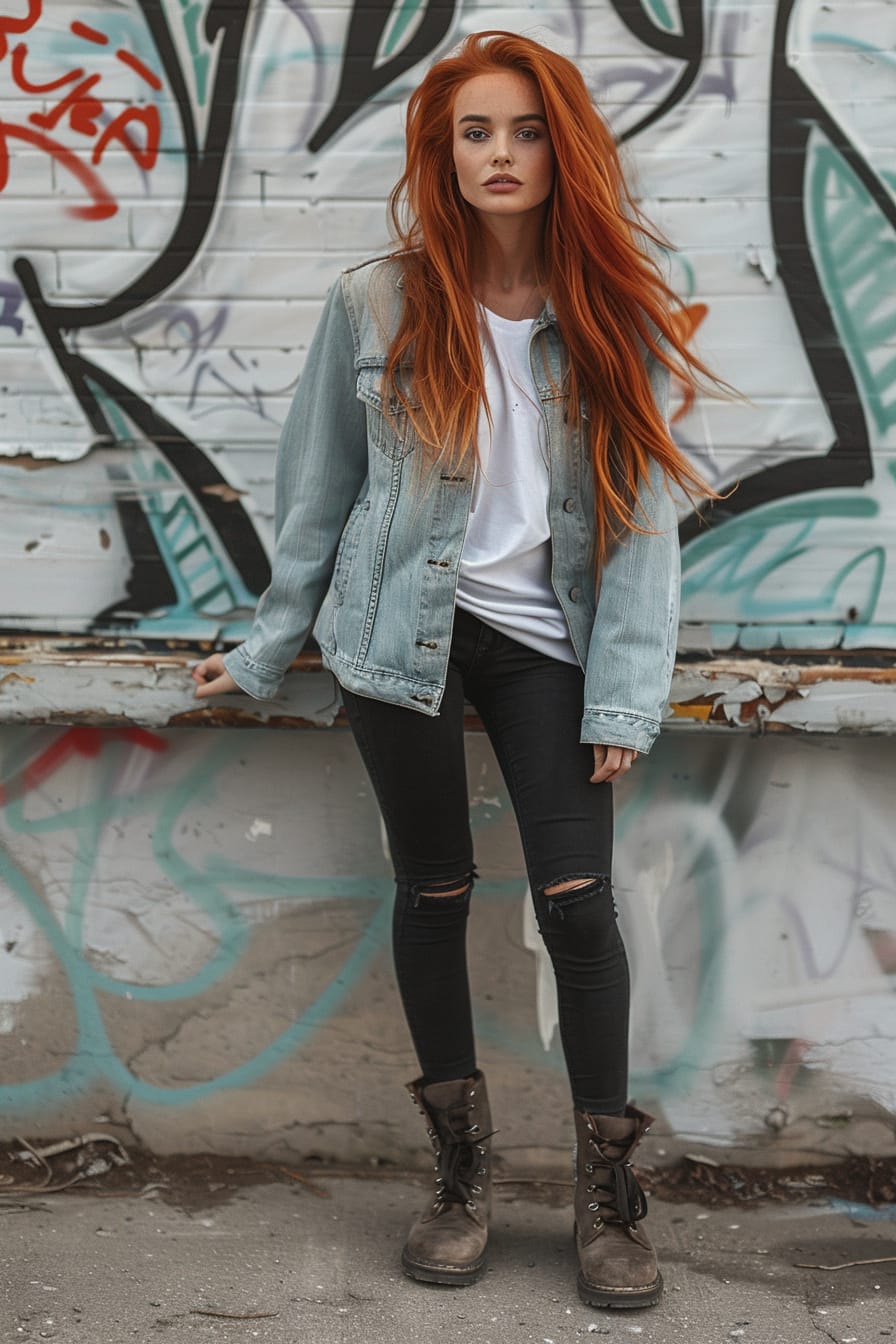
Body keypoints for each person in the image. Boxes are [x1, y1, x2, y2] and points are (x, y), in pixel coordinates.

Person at [192, 30, 717, 1310]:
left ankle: (605, 1197)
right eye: (474, 131)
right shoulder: (373, 301)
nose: (500, 154)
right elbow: (317, 496)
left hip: (548, 643)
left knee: (576, 905)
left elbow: (641, 518)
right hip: (396, 640)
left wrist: (623, 694)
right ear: (441, 151)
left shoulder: (620, 299)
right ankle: (458, 1177)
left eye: (525, 130)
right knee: (431, 890)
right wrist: (266, 650)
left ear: (562, 149)